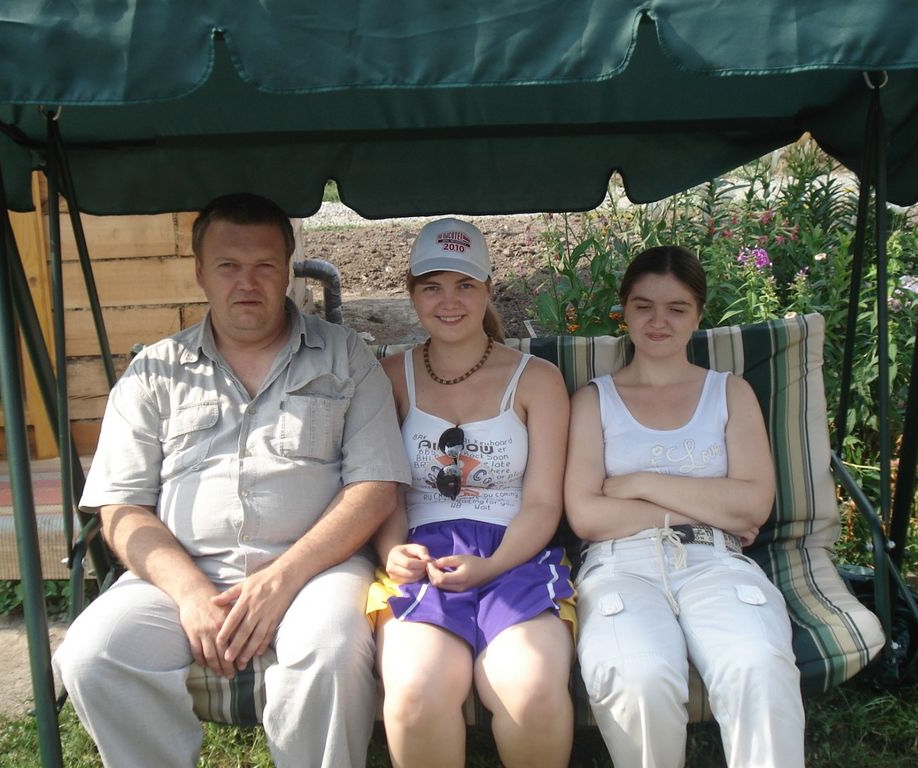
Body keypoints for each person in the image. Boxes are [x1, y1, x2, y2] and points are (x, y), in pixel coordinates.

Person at [52, 192, 411, 768]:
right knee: (93, 655)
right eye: (228, 266)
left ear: (288, 270)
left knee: (330, 649)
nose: (247, 283)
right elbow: (121, 508)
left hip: (315, 570)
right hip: (179, 575)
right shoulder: (154, 372)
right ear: (200, 272)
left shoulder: (346, 357)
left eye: (265, 265)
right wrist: (191, 594)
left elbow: (375, 488)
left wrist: (282, 579)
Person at [565, 245, 805, 768]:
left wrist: (637, 483)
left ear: (698, 315)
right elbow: (587, 515)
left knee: (758, 664)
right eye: (644, 306)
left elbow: (754, 504)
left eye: (676, 308)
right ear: (624, 310)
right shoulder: (594, 401)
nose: (659, 321)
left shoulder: (730, 393)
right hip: (619, 566)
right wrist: (712, 505)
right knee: (638, 676)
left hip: (715, 561)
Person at [368, 218, 575, 767]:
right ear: (412, 293)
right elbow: (382, 488)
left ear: (487, 288)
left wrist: (492, 566)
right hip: (424, 556)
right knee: (416, 692)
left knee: (530, 689)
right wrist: (392, 550)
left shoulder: (537, 379)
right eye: (432, 287)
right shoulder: (389, 377)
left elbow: (544, 503)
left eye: (464, 285)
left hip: (516, 551)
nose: (449, 301)